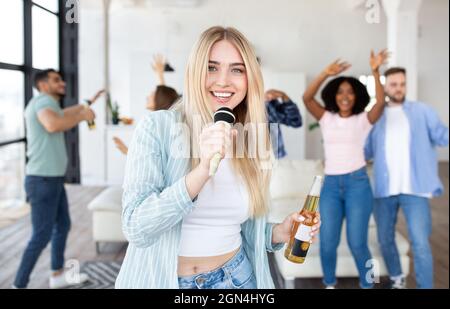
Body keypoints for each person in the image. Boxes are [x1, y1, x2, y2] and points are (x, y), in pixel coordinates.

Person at [115, 26, 321, 289]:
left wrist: (279, 232)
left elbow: (241, 228)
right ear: (195, 72)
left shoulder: (252, 138)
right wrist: (202, 171)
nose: (223, 81)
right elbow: (136, 227)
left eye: (237, 69)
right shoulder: (158, 127)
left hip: (236, 279)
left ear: (250, 79)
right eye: (212, 67)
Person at [302, 50, 389, 289]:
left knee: (358, 243)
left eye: (350, 92)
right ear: (334, 95)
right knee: (328, 243)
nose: (345, 96)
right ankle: (329, 284)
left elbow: (380, 102)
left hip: (357, 185)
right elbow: (307, 98)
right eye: (340, 91)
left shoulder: (363, 120)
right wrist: (325, 74)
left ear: (357, 96)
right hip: (330, 186)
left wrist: (375, 71)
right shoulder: (326, 118)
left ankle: (368, 284)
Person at [14, 69, 103, 289]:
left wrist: (89, 101)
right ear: (43, 85)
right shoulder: (41, 102)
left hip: (52, 179)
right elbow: (53, 124)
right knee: (41, 235)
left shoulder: (49, 104)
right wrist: (83, 116)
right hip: (42, 181)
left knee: (62, 225)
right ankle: (19, 284)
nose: (62, 83)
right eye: (56, 80)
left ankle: (57, 275)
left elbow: (64, 114)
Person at [365, 67, 449, 289]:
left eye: (402, 84)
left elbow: (443, 136)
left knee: (421, 243)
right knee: (385, 238)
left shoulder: (423, 111)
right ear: (384, 87)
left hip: (415, 189)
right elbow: (364, 152)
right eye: (393, 84)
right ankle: (397, 277)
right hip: (383, 190)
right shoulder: (376, 117)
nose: (398, 88)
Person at [113, 54, 179, 155]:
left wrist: (127, 151)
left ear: (159, 99)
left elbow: (149, 156)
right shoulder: (163, 120)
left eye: (152, 94)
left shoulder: (155, 125)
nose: (147, 96)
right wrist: (159, 74)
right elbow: (165, 95)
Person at [265, 89, 302, 159]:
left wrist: (284, 96)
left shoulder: (267, 104)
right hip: (244, 162)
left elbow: (295, 122)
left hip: (273, 159)